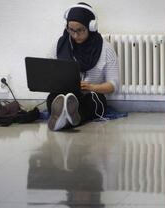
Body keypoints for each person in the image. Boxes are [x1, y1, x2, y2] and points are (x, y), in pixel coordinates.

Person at [47, 2, 119, 131]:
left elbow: (114, 85)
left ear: (91, 27)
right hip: (65, 94)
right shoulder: (60, 45)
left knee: (97, 101)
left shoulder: (106, 49)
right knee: (53, 98)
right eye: (71, 30)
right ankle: (69, 117)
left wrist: (92, 87)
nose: (75, 35)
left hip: (89, 95)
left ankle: (66, 118)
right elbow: (49, 72)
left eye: (80, 30)